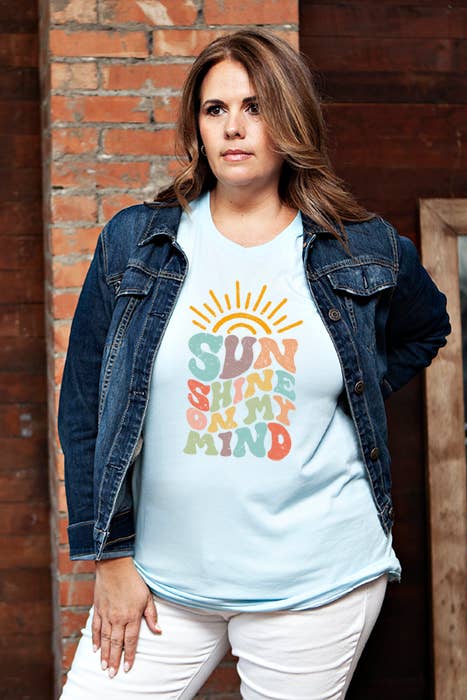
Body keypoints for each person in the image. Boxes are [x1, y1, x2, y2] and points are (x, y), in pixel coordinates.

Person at [58, 28, 450, 700]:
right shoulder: (135, 242)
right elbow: (84, 404)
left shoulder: (360, 247)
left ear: (290, 118)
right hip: (159, 580)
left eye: (256, 107)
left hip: (316, 586)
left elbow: (425, 328)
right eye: (215, 109)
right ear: (197, 125)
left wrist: (348, 390)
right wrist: (110, 556)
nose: (233, 128)